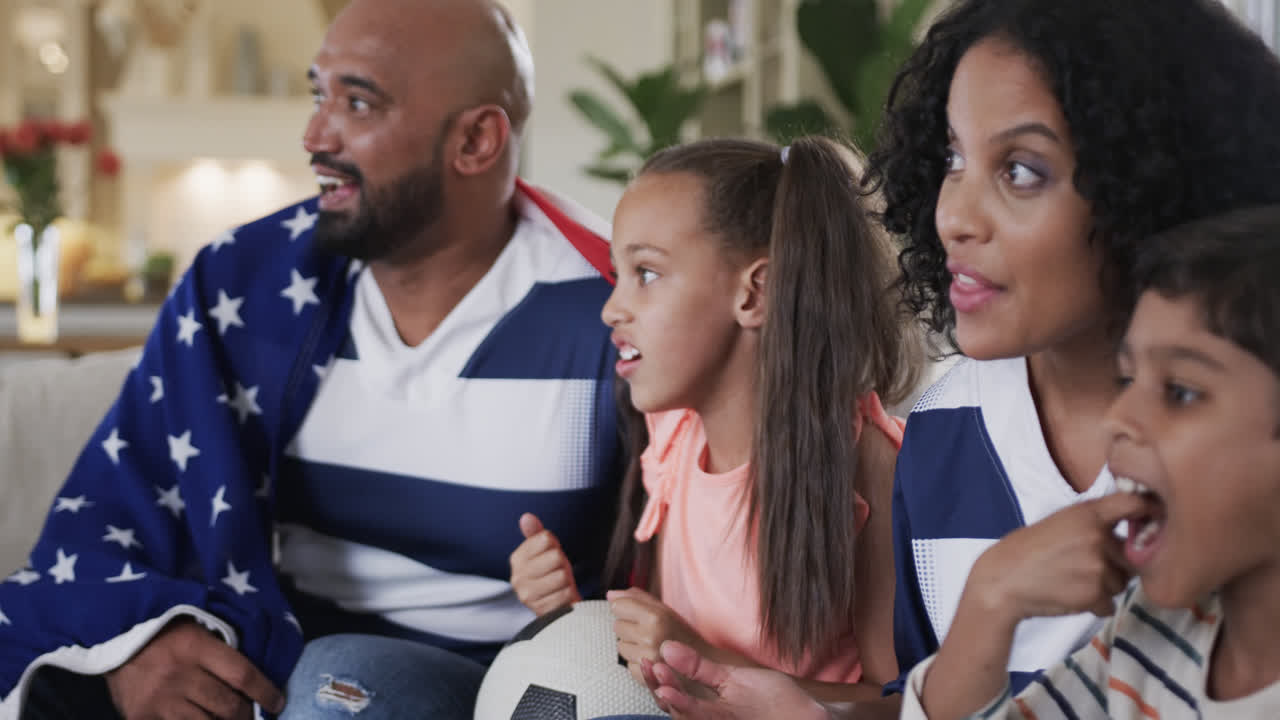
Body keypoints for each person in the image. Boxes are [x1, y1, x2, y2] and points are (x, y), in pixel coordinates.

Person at [642, 0, 1280, 717]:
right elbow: (927, 697)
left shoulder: (1225, 448)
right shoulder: (940, 434)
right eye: (952, 158)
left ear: (1154, 183)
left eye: (1022, 171)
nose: (953, 216)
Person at [0, 1, 624, 718]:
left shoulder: (608, 306)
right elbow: (118, 516)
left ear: (477, 141)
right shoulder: (243, 285)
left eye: (357, 102)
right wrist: (133, 645)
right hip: (295, 670)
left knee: (343, 683)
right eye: (317, 94)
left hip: (532, 686)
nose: (314, 135)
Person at [508, 136, 923, 706]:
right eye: (617, 273)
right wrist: (570, 615)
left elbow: (898, 701)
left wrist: (708, 664)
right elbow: (652, 663)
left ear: (755, 292)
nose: (612, 308)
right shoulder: (672, 435)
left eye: (646, 273)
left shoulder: (867, 464)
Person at [901, 204, 1280, 719]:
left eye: (1181, 392)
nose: (1121, 417)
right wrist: (991, 598)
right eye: (1128, 381)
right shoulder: (1150, 630)